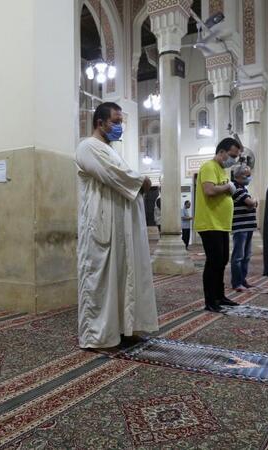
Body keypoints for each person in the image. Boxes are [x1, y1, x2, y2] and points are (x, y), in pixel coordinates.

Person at [76, 101, 158, 349]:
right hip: (101, 223)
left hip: (121, 225)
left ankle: (125, 328)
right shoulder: (87, 147)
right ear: (100, 122)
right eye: (116, 121)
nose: (119, 126)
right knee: (101, 281)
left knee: (124, 277)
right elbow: (115, 176)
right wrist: (141, 180)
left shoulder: (110, 150)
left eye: (121, 122)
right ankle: (97, 336)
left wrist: (139, 181)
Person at [194, 137, 243, 312]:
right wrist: (228, 187)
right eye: (232, 155)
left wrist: (228, 187)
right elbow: (209, 190)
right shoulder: (209, 166)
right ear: (222, 152)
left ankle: (219, 296)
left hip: (221, 224)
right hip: (209, 222)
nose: (234, 160)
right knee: (213, 262)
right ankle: (210, 301)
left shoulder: (222, 170)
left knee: (222, 261)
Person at [230, 165, 258, 292]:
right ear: (238, 176)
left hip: (248, 226)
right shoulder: (236, 188)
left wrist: (252, 203)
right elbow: (251, 203)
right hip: (240, 227)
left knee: (246, 256)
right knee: (238, 257)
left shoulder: (243, 189)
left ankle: (242, 280)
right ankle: (236, 283)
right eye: (247, 175)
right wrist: (253, 201)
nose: (249, 177)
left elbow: (252, 204)